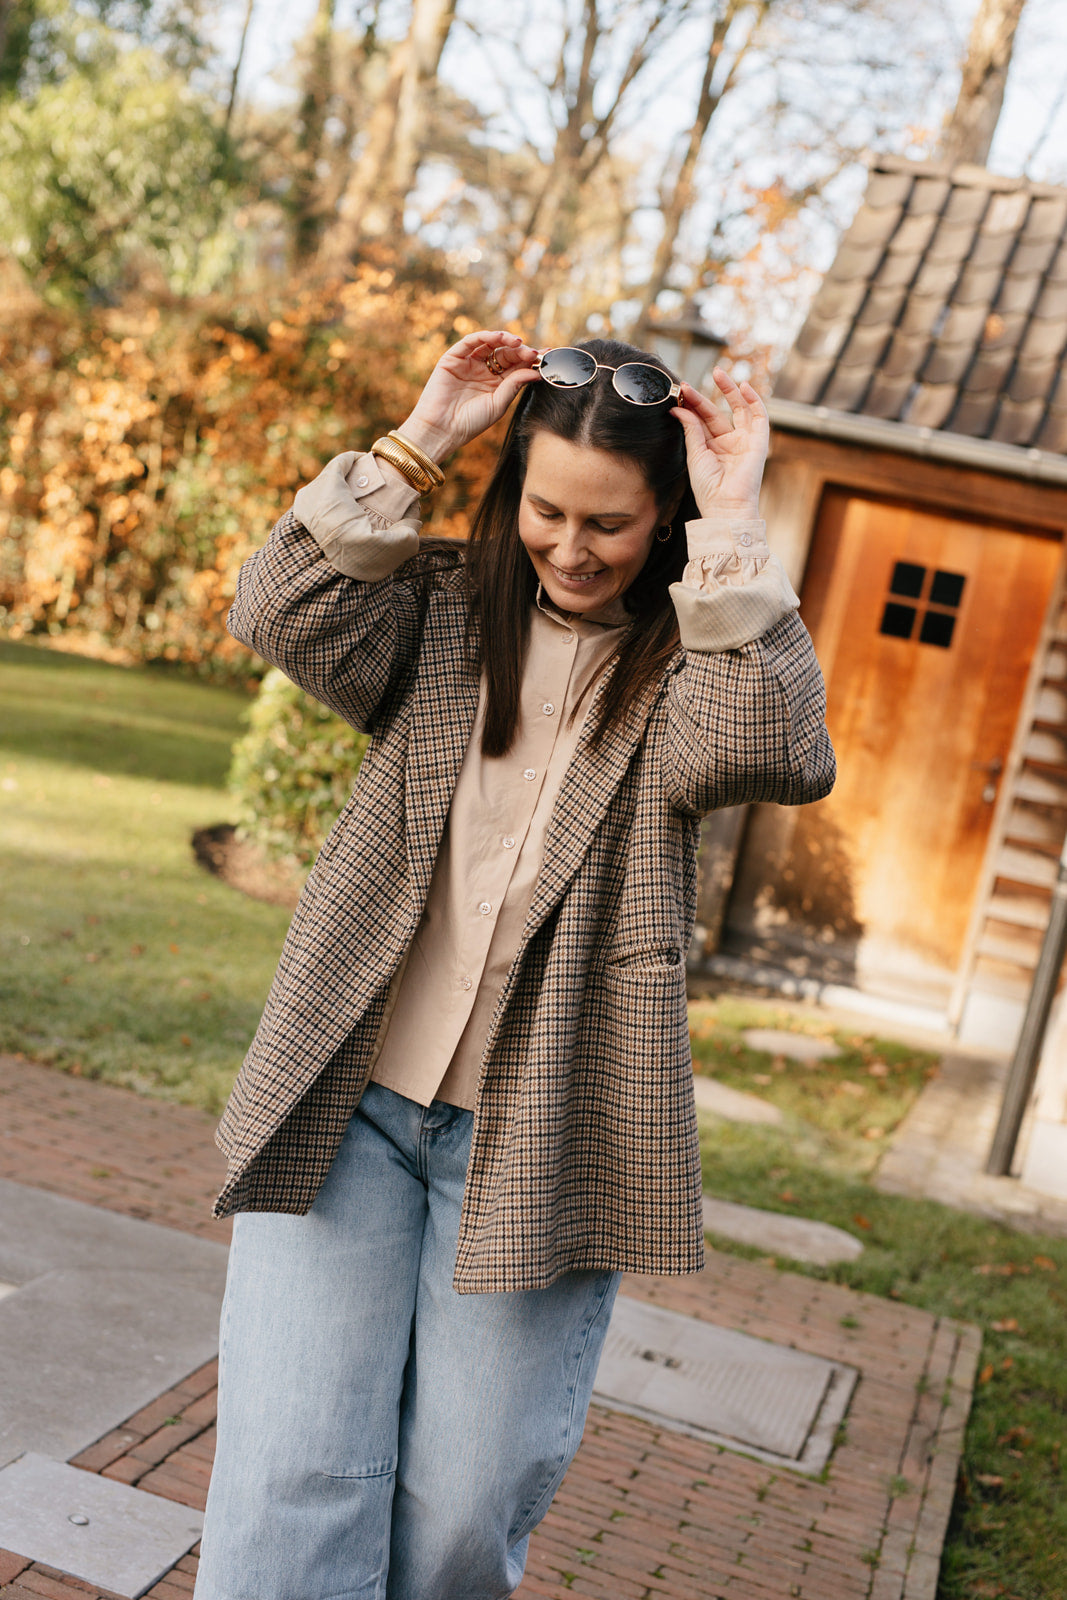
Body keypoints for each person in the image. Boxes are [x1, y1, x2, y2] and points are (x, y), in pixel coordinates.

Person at [193, 329, 835, 1600]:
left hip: (540, 1134)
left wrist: (734, 517)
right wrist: (419, 436)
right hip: (350, 1107)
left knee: (460, 1515)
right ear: (513, 494)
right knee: (292, 1483)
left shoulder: (687, 672)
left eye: (611, 522)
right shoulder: (430, 615)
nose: (572, 545)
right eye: (547, 508)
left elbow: (777, 749)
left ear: (659, 526)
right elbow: (272, 605)